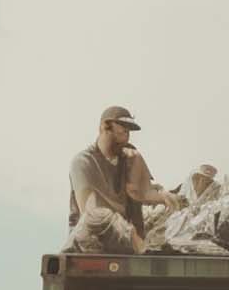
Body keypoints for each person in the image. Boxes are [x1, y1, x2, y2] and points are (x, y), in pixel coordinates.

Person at [68, 105, 181, 254]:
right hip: (91, 246)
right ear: (105, 127)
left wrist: (166, 198)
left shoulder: (128, 158)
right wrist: (130, 234)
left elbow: (142, 192)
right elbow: (91, 213)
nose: (126, 137)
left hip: (125, 247)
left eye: (128, 132)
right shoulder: (83, 162)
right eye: (122, 130)